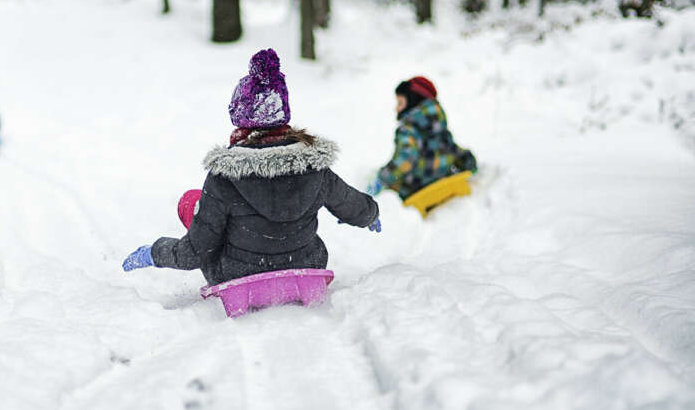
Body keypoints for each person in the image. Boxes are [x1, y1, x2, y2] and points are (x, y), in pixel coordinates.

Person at [121, 49, 381, 286]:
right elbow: (353, 205)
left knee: (192, 202)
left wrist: (155, 252)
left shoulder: (225, 176)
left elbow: (195, 253)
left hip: (237, 275)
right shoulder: (315, 168)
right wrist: (370, 215)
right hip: (306, 265)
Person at [365, 76, 477, 200]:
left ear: (413, 101)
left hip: (414, 189)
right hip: (442, 181)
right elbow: (452, 149)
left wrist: (381, 179)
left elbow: (406, 159)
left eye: (400, 103)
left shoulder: (407, 129)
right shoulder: (439, 127)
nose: (396, 108)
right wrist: (468, 162)